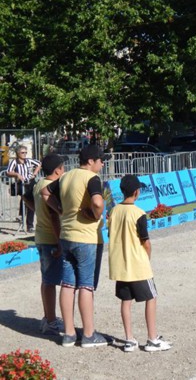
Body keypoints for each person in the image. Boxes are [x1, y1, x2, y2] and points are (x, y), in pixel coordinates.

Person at [41, 144, 111, 348]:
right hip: (86, 238)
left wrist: (61, 210)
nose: (102, 163)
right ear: (90, 161)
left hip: (66, 235)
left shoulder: (66, 176)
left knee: (68, 284)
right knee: (86, 286)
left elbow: (46, 192)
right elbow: (98, 202)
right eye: (100, 159)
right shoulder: (92, 178)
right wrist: (95, 214)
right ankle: (89, 334)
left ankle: (69, 334)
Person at [108, 174, 172, 353]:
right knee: (151, 298)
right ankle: (152, 338)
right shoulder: (138, 213)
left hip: (120, 264)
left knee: (125, 301)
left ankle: (129, 339)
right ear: (136, 192)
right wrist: (147, 257)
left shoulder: (114, 211)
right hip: (137, 264)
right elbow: (146, 242)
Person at [23, 154, 67, 335]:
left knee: (46, 280)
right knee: (50, 281)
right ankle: (50, 320)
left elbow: (25, 198)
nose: (64, 171)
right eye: (63, 168)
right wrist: (59, 242)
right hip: (50, 238)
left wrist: (38, 212)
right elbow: (55, 217)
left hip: (41, 236)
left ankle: (49, 316)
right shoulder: (50, 188)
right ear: (57, 170)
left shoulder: (38, 185)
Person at [6, 145, 42, 232]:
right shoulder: (14, 162)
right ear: (18, 153)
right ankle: (22, 217)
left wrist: (34, 173)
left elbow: (39, 164)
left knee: (29, 202)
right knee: (25, 200)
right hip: (21, 184)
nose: (24, 154)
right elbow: (8, 172)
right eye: (22, 152)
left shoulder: (29, 160)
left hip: (30, 183)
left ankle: (29, 225)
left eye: (26, 152)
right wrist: (17, 174)